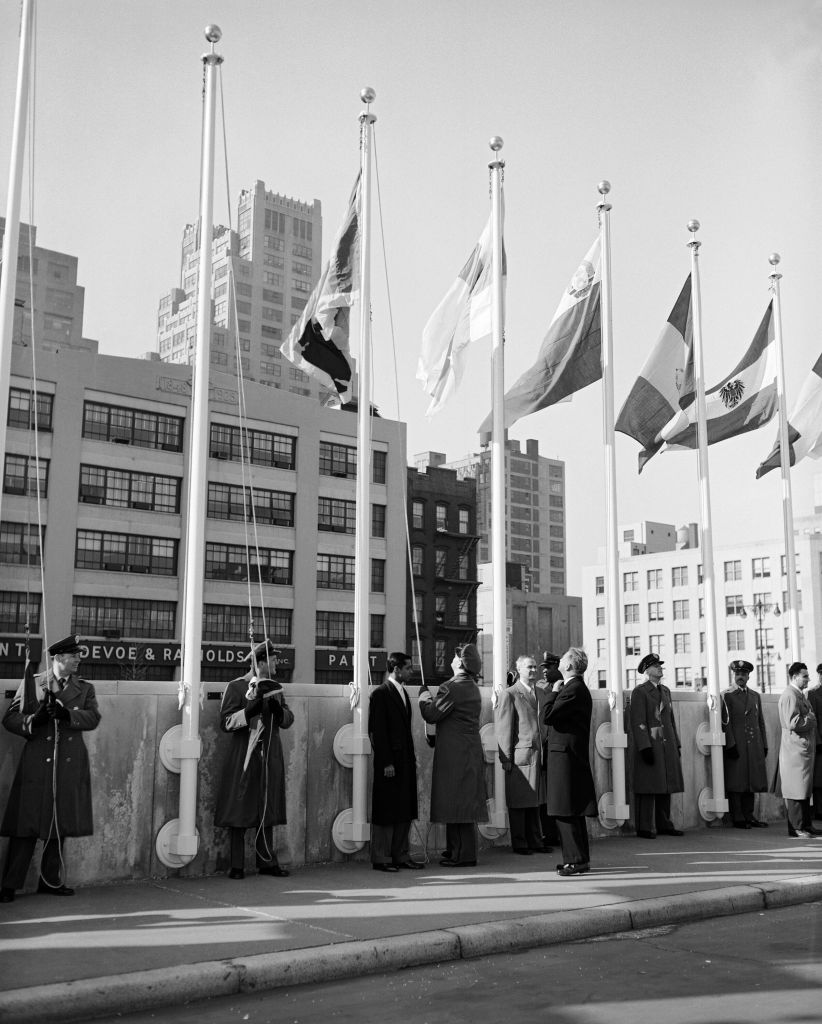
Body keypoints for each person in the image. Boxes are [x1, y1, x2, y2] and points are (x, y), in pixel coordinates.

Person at [1, 635, 101, 903]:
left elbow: (93, 718)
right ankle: (10, 884)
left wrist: (68, 715)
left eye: (78, 655)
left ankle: (51, 880)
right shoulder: (34, 683)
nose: (78, 660)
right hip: (37, 763)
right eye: (73, 656)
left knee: (58, 824)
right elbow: (10, 718)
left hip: (68, 762)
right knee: (24, 824)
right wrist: (36, 720)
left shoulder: (85, 688)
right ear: (58, 658)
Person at [214, 641, 294, 878]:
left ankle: (266, 862)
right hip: (244, 754)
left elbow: (288, 718)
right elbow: (226, 722)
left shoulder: (276, 689)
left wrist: (280, 712)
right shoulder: (236, 687)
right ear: (260, 663)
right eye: (273, 660)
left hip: (269, 753)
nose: (277, 664)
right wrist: (249, 711)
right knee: (239, 807)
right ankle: (236, 864)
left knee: (267, 806)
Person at [419, 643, 487, 867]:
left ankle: (463, 855)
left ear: (459, 663)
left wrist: (423, 697)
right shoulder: (471, 686)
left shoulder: (451, 687)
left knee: (456, 803)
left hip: (454, 754)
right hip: (468, 749)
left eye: (456, 656)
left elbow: (432, 714)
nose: (452, 658)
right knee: (463, 802)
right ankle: (455, 849)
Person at [543, 647, 597, 876]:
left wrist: (553, 692)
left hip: (565, 758)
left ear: (568, 665)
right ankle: (578, 858)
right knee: (572, 810)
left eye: (563, 659)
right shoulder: (576, 688)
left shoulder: (572, 689)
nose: (559, 663)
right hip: (568, 756)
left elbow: (547, 715)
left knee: (565, 809)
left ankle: (575, 861)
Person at [368, 651, 422, 872]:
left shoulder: (403, 693)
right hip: (389, 763)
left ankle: (401, 855)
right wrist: (386, 762)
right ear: (396, 669)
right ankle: (381, 858)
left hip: (404, 760)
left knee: (404, 808)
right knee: (386, 810)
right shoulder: (380, 694)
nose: (411, 671)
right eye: (408, 668)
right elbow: (377, 732)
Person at [496, 654, 551, 855]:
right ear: (519, 669)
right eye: (529, 667)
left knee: (535, 801)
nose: (534, 670)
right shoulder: (510, 694)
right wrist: (506, 758)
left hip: (538, 755)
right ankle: (520, 843)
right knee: (519, 802)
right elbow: (504, 729)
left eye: (535, 667)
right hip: (521, 756)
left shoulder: (541, 693)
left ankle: (535, 841)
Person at [629, 653, 684, 839]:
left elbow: (671, 720)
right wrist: (644, 747)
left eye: (660, 665)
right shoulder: (640, 692)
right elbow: (638, 721)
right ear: (646, 671)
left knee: (665, 785)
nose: (660, 668)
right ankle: (644, 827)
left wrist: (676, 744)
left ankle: (664, 824)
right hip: (651, 744)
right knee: (647, 786)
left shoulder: (665, 691)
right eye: (655, 666)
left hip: (667, 744)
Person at [722, 660, 769, 828]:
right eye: (737, 674)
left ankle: (749, 815)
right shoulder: (726, 695)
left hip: (753, 745)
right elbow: (725, 722)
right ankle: (738, 817)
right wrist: (730, 744)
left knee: (751, 780)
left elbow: (760, 721)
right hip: (737, 745)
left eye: (743, 674)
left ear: (748, 676)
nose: (740, 676)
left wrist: (764, 744)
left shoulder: (755, 696)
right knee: (737, 781)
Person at [776, 662, 818, 838]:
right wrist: (811, 719)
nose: (808, 679)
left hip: (802, 749)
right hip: (794, 750)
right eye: (805, 676)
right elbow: (793, 722)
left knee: (804, 789)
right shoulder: (790, 695)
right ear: (794, 677)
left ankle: (806, 825)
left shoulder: (798, 694)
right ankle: (796, 827)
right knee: (795, 789)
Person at [536, 652, 563, 846]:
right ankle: (548, 833)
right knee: (545, 793)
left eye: (549, 667)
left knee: (560, 792)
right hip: (544, 745)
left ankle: (559, 833)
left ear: (557, 667)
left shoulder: (566, 686)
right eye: (543, 667)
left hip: (560, 744)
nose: (544, 671)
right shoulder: (540, 687)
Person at [808, 664, 822, 820]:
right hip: (820, 742)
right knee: (819, 779)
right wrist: (818, 742)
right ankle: (819, 810)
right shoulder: (813, 694)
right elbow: (813, 719)